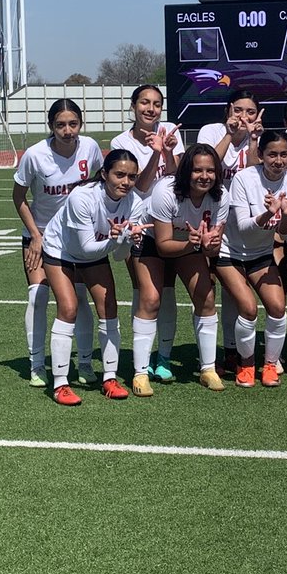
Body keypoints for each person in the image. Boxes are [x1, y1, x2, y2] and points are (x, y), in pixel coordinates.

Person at [38, 149, 146, 405]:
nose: (126, 182)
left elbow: (119, 256)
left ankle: (110, 377)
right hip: (60, 250)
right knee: (68, 308)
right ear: (104, 174)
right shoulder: (82, 198)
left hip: (97, 251)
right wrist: (117, 238)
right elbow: (85, 248)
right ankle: (60, 384)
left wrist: (127, 240)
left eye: (132, 177)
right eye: (120, 175)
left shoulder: (136, 204)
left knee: (109, 307)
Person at [12, 99, 104, 388]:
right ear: (51, 126)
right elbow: (18, 198)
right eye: (60, 125)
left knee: (79, 300)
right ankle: (37, 364)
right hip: (40, 237)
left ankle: (86, 363)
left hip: (75, 238)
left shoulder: (90, 147)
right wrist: (36, 237)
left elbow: (101, 182)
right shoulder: (35, 155)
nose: (68, 130)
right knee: (37, 296)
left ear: (81, 123)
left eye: (73, 124)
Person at [217, 130, 287, 387]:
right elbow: (244, 227)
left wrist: (285, 215)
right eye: (272, 154)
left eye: (284, 154)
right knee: (249, 308)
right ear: (261, 155)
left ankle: (269, 364)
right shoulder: (244, 178)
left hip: (261, 255)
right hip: (230, 253)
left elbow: (286, 233)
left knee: (277, 308)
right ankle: (246, 365)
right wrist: (269, 214)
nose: (278, 160)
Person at [138, 143, 229, 391]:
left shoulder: (221, 196)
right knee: (153, 299)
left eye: (210, 171)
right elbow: (163, 246)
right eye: (197, 170)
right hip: (152, 243)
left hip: (189, 244)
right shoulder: (165, 191)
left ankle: (208, 369)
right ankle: (141, 371)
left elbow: (211, 249)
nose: (204, 176)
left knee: (206, 297)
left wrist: (210, 245)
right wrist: (194, 245)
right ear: (186, 170)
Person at [111, 84, 181, 383]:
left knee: (167, 292)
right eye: (144, 103)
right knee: (144, 293)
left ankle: (163, 357)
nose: (150, 109)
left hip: (169, 222)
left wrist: (168, 150)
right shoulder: (121, 141)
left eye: (156, 104)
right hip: (138, 224)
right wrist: (155, 154)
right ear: (133, 106)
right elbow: (136, 186)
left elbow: (178, 176)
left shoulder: (169, 131)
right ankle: (141, 359)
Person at [198, 89, 264, 373]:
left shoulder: (259, 137)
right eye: (238, 110)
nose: (244, 116)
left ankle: (235, 351)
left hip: (243, 220)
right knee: (211, 290)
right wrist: (229, 134)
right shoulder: (211, 131)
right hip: (210, 218)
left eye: (250, 111)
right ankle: (216, 355)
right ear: (228, 109)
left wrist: (252, 140)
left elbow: (254, 174)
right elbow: (209, 165)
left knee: (235, 293)